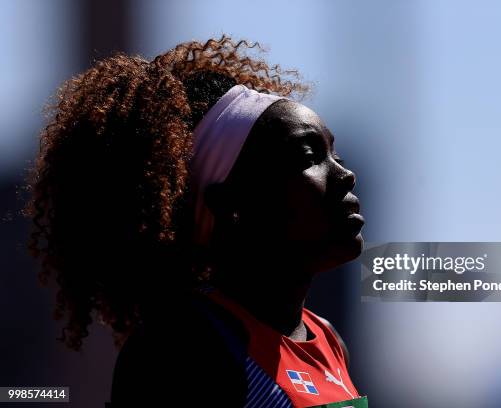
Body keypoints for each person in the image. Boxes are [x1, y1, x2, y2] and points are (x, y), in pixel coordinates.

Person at [25, 35, 367, 407]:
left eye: (336, 154)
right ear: (233, 205)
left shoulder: (328, 339)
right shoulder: (183, 348)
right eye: (308, 156)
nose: (345, 175)